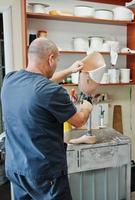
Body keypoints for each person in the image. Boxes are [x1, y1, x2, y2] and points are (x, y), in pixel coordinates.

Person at [1, 38, 93, 199]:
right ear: (50, 59)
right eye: (57, 60)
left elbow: (39, 83)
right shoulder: (51, 91)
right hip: (44, 174)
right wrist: (87, 104)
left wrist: (69, 70)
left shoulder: (10, 79)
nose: (57, 63)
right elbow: (79, 121)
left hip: (16, 168)